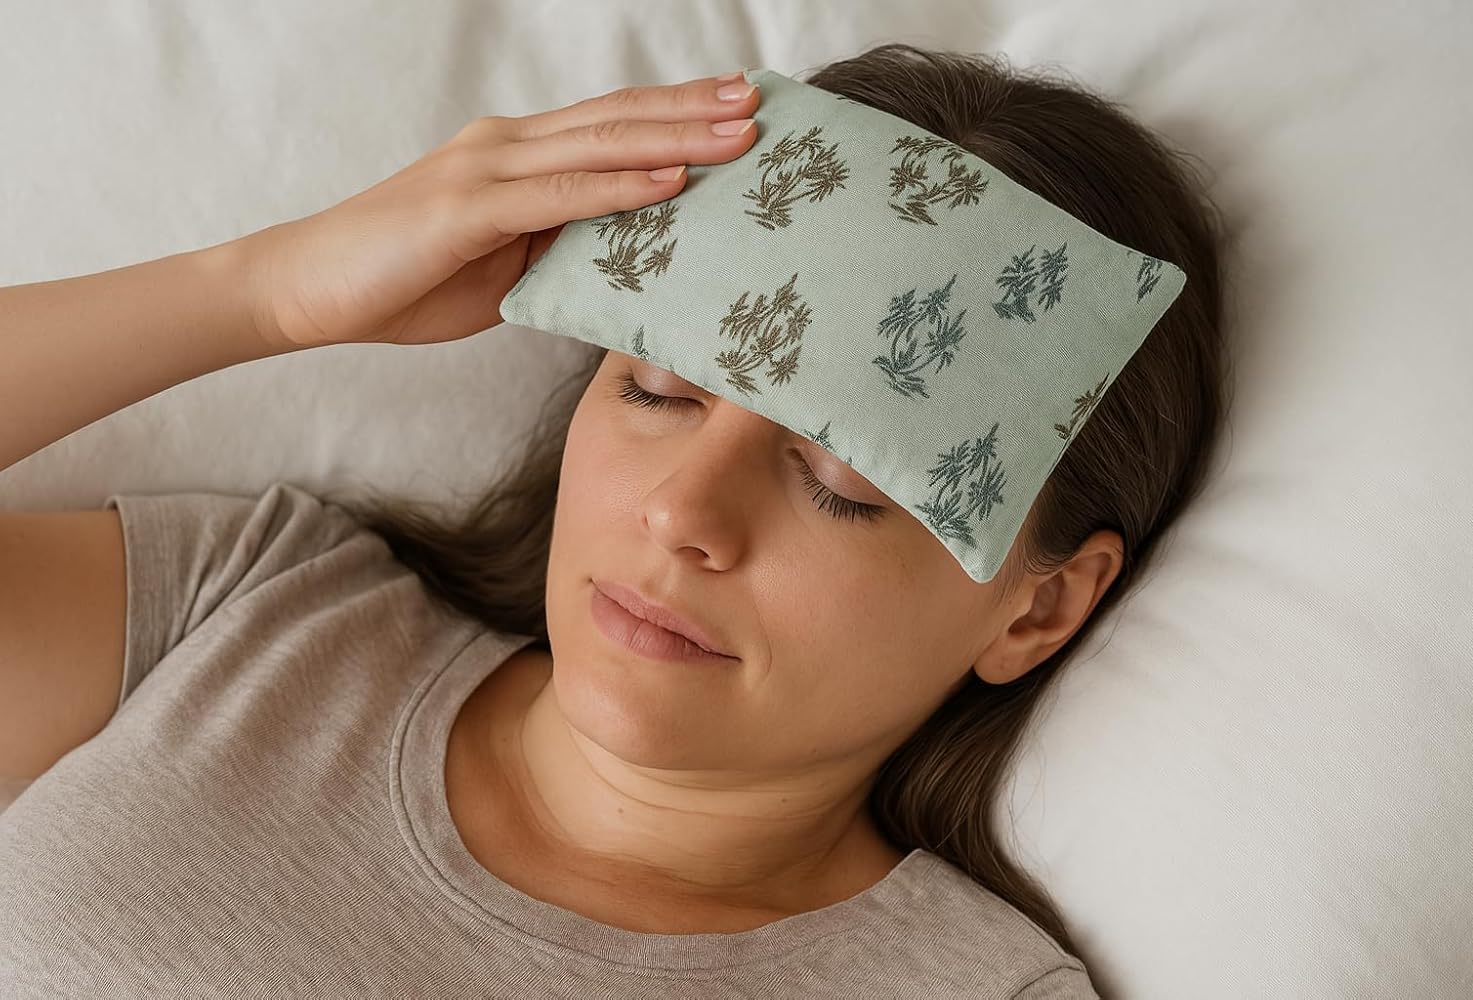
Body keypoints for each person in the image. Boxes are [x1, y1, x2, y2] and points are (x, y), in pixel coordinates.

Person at [0, 43, 1225, 997]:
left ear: (1039, 606)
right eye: (659, 391)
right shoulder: (254, 609)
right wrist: (262, 294)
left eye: (840, 479)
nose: (682, 508)